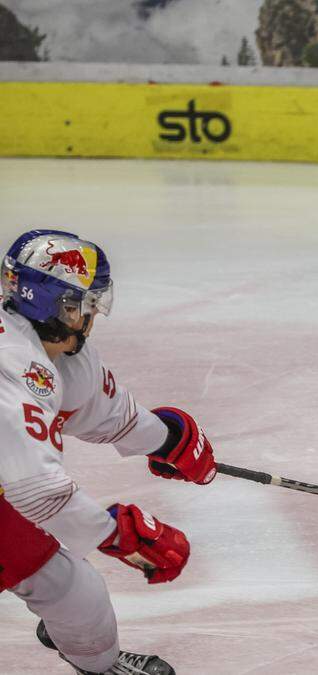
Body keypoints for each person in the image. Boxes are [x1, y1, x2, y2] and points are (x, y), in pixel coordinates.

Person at [0, 230, 217, 675]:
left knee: (76, 593)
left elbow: (107, 412)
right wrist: (119, 534)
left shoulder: (57, 353)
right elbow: (37, 491)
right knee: (72, 589)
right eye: (83, 304)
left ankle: (93, 657)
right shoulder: (15, 363)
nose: (92, 315)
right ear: (54, 304)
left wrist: (167, 440)